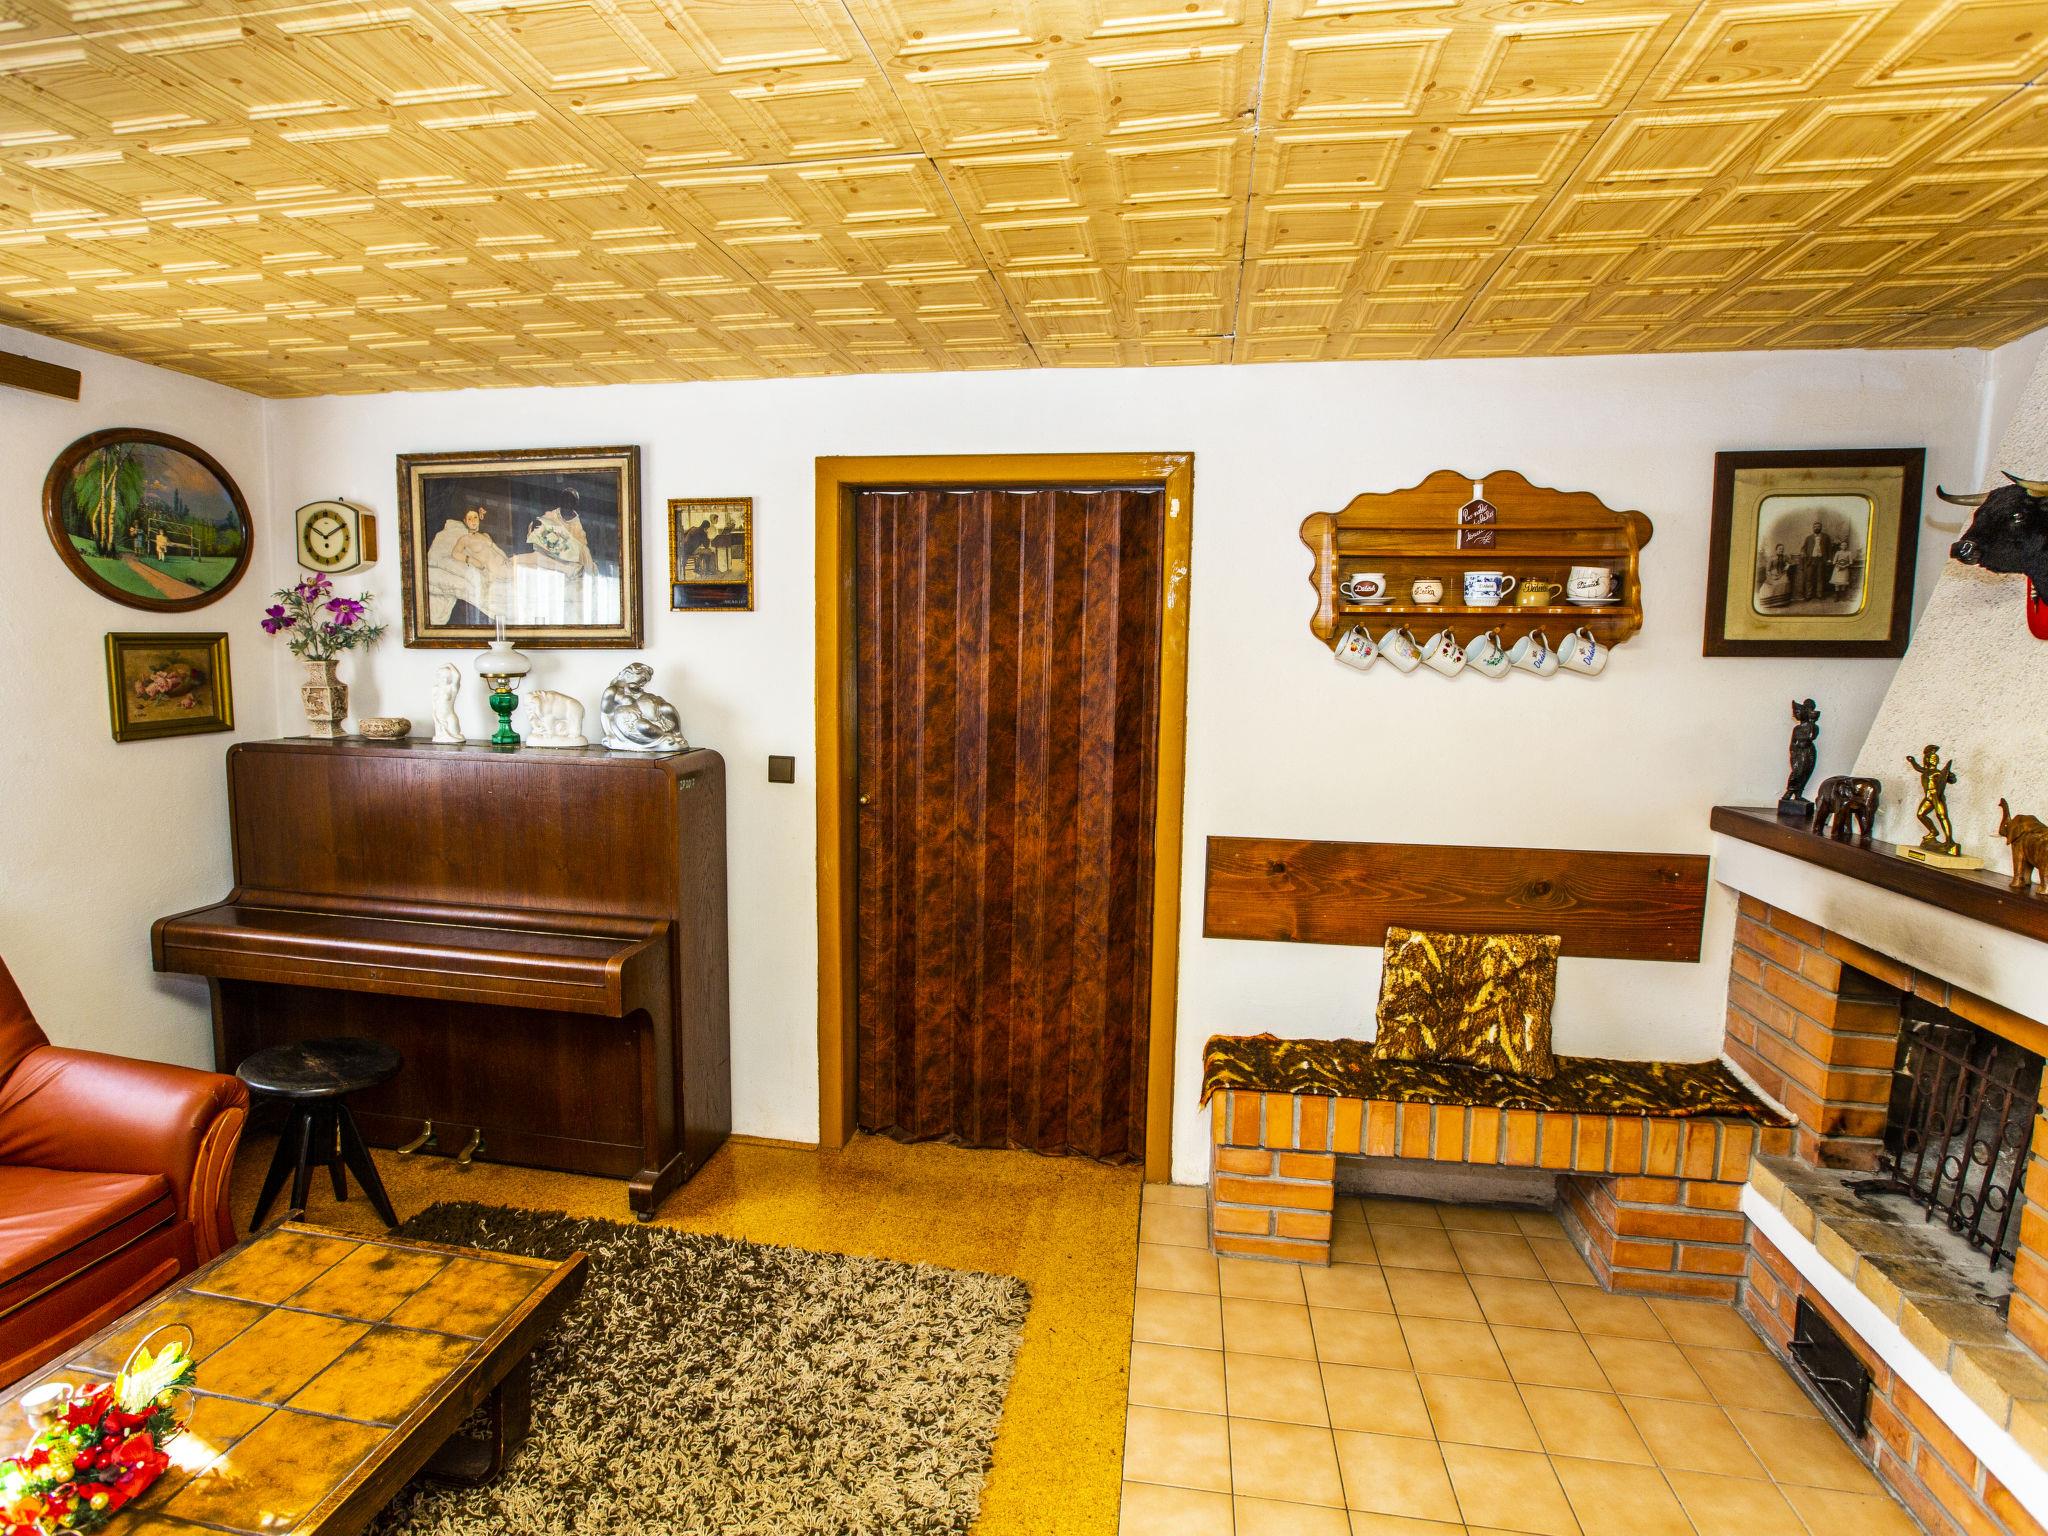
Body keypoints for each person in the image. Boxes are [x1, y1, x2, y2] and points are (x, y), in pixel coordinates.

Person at [1799, 518, 1832, 602]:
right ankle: (1808, 595)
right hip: (1811, 560)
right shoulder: (1808, 538)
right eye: (1815, 526)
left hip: (1821, 560)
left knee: (1820, 578)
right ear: (1813, 528)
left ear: (1821, 527)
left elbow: (1829, 549)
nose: (1817, 528)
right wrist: (1803, 553)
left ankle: (1819, 594)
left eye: (1818, 526)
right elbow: (1803, 548)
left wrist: (1829, 559)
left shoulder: (1826, 537)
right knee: (1809, 578)